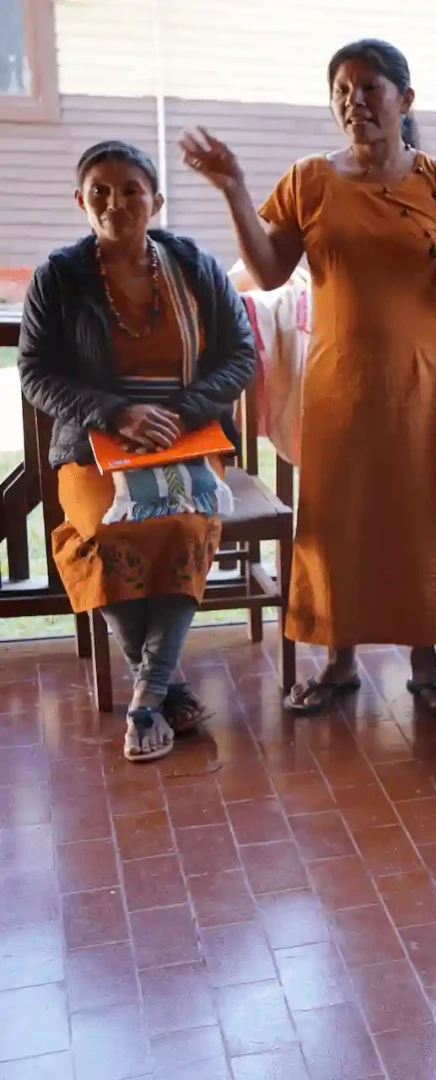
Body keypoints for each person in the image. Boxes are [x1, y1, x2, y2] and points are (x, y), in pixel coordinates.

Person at [178, 38, 436, 713]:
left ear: (405, 100)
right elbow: (266, 271)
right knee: (336, 525)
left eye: (369, 88)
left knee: (426, 525)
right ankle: (338, 662)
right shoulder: (308, 180)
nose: (355, 102)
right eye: (342, 90)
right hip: (338, 386)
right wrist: (233, 188)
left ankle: (427, 667)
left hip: (422, 386)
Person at [17, 141, 256, 761]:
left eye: (131, 190)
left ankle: (146, 700)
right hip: (95, 446)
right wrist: (116, 411)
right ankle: (170, 687)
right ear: (80, 201)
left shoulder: (193, 266)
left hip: (186, 436)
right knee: (107, 531)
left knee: (184, 522)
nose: (115, 203)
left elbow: (240, 357)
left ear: (156, 200)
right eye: (99, 191)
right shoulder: (59, 277)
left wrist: (181, 411)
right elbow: (35, 373)